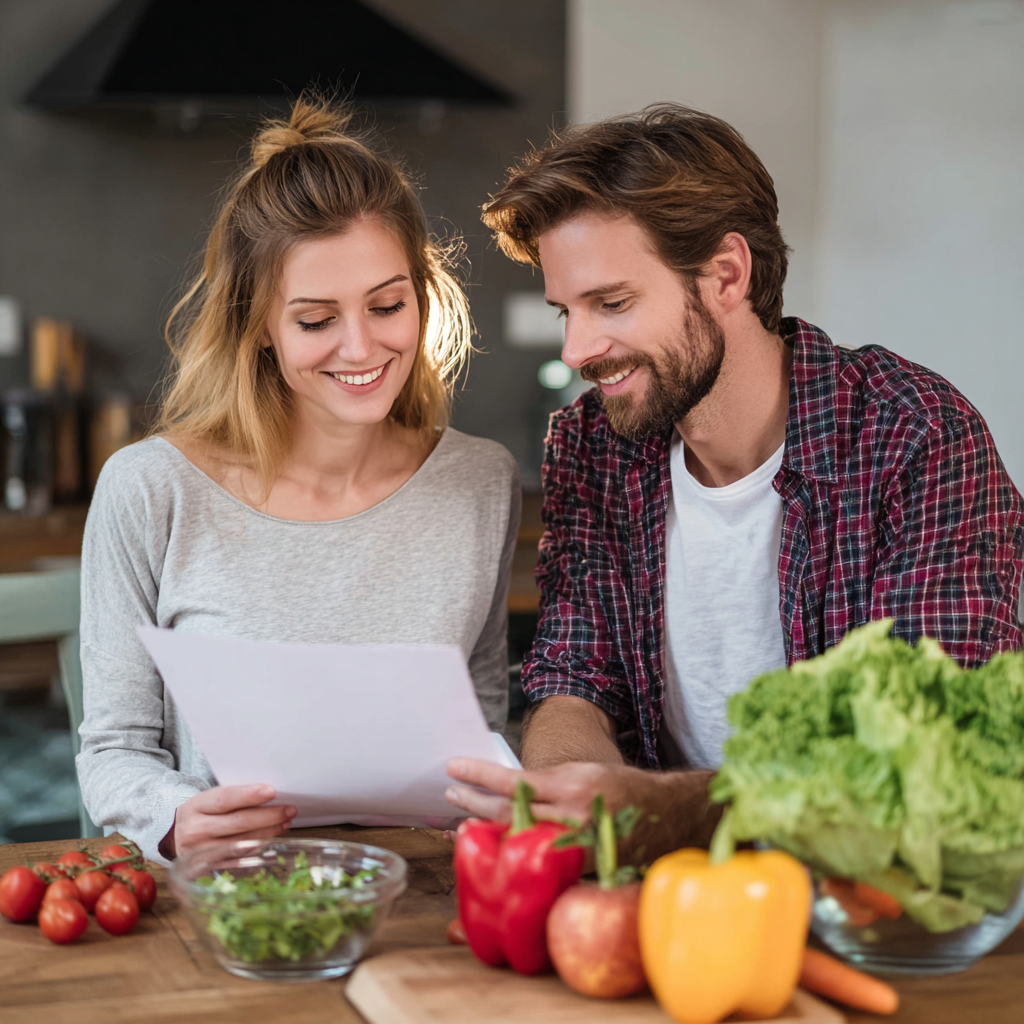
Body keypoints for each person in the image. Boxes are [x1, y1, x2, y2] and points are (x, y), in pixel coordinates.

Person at [444, 103, 1024, 860]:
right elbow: (571, 674)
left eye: (612, 303)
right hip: (664, 894)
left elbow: (925, 754)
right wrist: (570, 797)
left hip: (872, 899)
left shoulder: (915, 436)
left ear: (726, 275)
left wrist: (662, 810)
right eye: (566, 311)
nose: (579, 348)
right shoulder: (593, 444)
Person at [78, 97, 520, 863]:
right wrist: (179, 817)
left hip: (423, 898)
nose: (361, 346)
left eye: (387, 304)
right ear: (260, 329)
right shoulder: (150, 490)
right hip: (233, 899)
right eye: (316, 320)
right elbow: (114, 751)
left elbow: (481, 726)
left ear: (422, 295)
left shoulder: (481, 482)